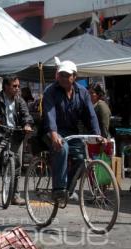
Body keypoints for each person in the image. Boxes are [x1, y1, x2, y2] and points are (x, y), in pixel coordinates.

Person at [42, 60, 101, 202]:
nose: (63, 78)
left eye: (66, 75)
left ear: (74, 76)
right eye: (61, 74)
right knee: (62, 148)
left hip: (71, 132)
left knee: (82, 158)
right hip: (51, 130)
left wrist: (97, 134)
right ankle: (58, 189)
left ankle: (68, 189)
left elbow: (91, 115)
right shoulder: (50, 91)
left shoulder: (82, 92)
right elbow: (50, 115)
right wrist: (54, 134)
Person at [0, 75, 33, 205]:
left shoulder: (20, 100)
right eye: (14, 86)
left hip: (16, 135)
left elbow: (26, 115)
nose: (17, 89)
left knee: (17, 165)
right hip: (0, 134)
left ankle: (15, 195)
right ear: (6, 86)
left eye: (18, 86)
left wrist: (27, 124)